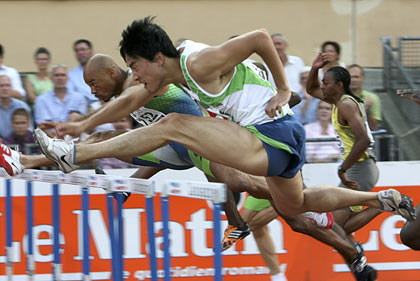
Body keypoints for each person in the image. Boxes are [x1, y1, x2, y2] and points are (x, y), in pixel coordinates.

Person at [307, 55, 384, 241]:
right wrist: (314, 68)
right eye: (323, 82)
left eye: (326, 83)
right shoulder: (338, 101)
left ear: (339, 85)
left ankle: (382, 205)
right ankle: (358, 255)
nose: (323, 86)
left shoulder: (346, 105)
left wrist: (343, 169)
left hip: (360, 170)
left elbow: (364, 140)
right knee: (338, 228)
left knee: (334, 227)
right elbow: (311, 88)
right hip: (359, 168)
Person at [348, 64, 382, 131]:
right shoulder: (338, 97)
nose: (353, 80)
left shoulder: (372, 98)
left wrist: (367, 111)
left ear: (363, 78)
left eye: (356, 77)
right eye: (350, 77)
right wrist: (363, 109)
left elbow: (373, 127)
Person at [0, 75, 32, 140]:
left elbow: (29, 129)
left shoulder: (22, 106)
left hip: (22, 143)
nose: (5, 88)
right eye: (1, 86)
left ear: (11, 88)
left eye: (7, 85)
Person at [68, 39, 98, 104]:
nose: (80, 53)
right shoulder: (71, 75)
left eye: (83, 49)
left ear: (91, 51)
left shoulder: (103, 70)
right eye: (77, 51)